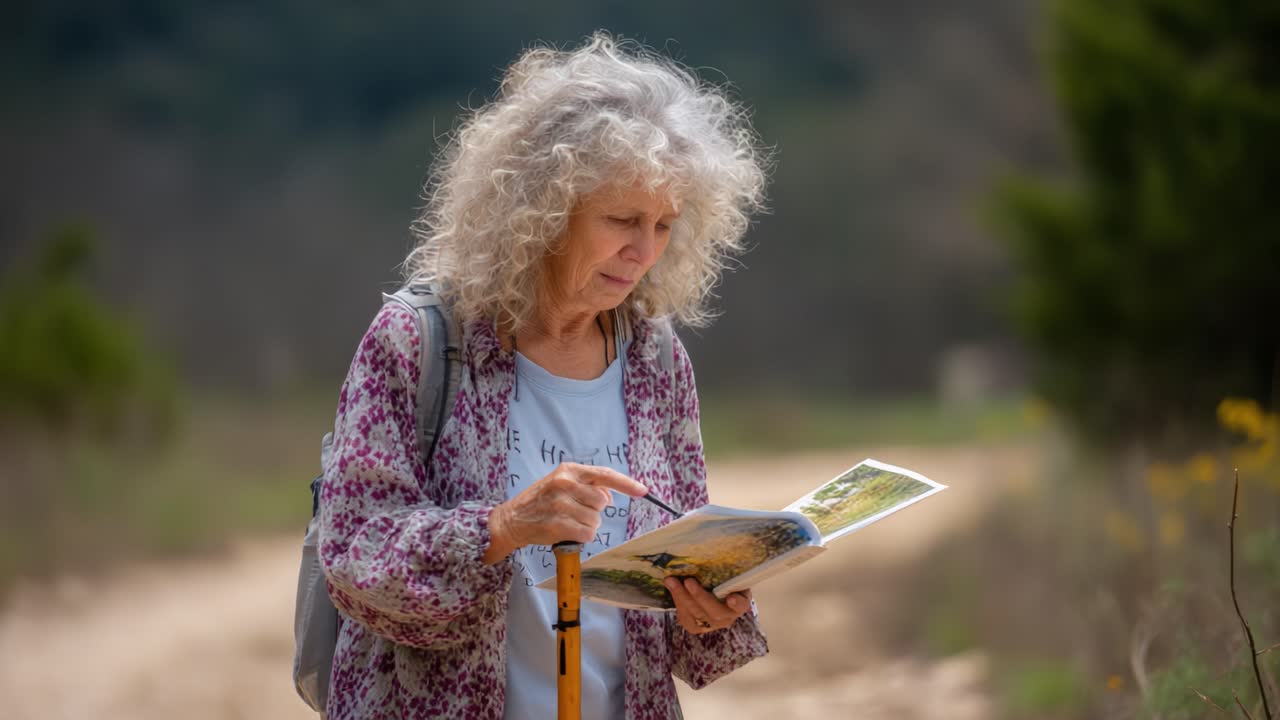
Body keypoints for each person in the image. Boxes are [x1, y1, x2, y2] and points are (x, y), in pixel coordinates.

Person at [318, 32, 769, 720]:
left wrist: (710, 608)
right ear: (542, 211)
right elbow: (352, 553)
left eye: (664, 225)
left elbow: (667, 600)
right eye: (622, 219)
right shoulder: (420, 341)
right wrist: (502, 528)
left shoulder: (654, 357)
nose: (643, 251)